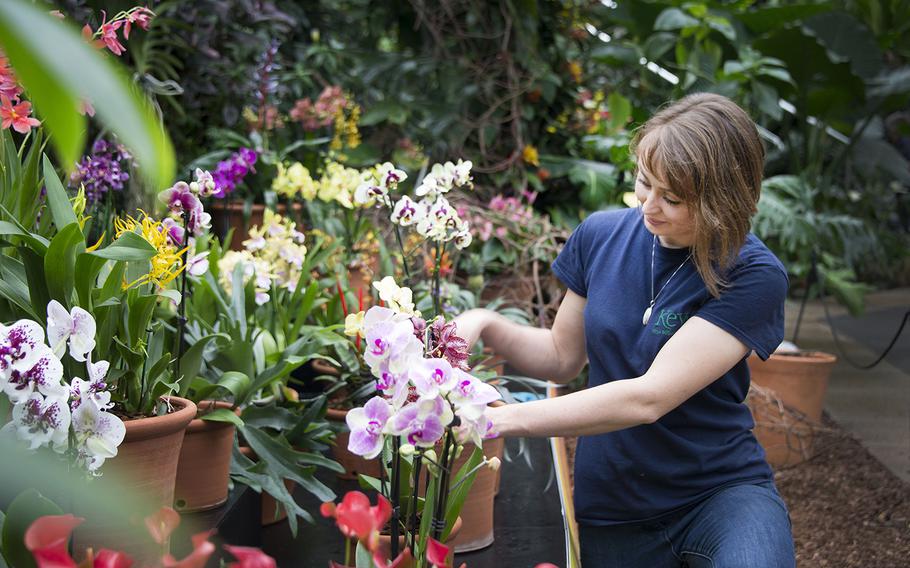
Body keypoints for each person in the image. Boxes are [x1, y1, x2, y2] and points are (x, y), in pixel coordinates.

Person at [455, 93, 796, 568]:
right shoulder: (600, 235)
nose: (649, 207)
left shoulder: (753, 274)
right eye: (643, 182)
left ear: (724, 200)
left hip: (718, 494)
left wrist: (494, 419)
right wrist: (484, 323)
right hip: (615, 506)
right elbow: (559, 357)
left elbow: (648, 397)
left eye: (672, 198)